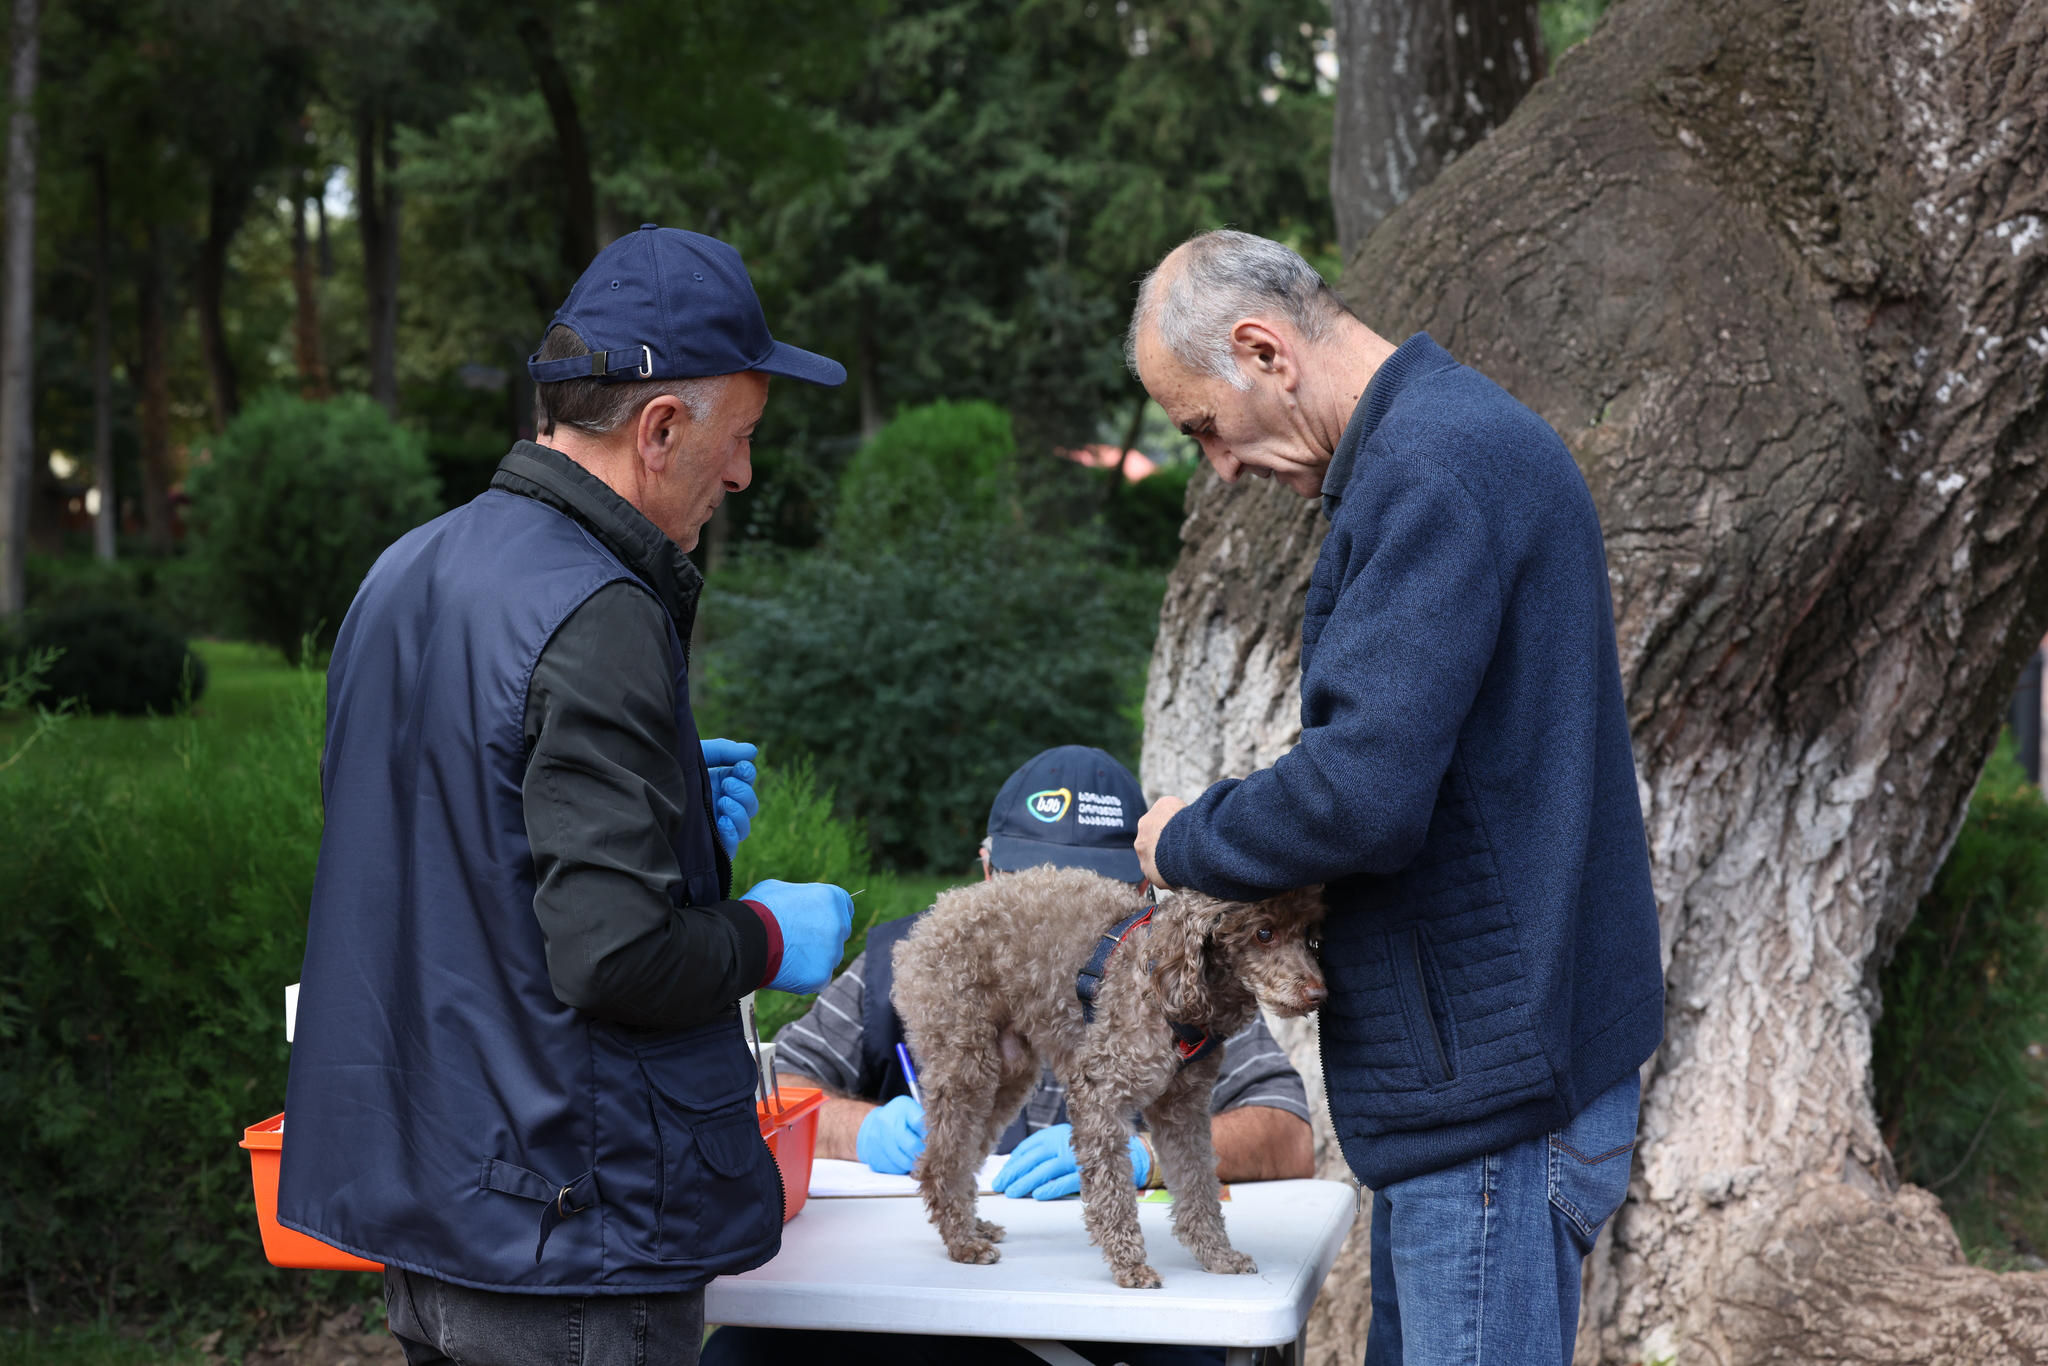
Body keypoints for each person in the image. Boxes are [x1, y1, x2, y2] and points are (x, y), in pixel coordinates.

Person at [279, 226, 858, 1366]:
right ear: (658, 429)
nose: (741, 474)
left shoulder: (404, 569)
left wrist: (671, 816)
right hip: (570, 1236)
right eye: (737, 439)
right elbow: (615, 959)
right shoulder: (602, 614)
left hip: (436, 1218)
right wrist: (763, 931)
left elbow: (449, 847)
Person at [1124, 231, 1664, 1366]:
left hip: (1494, 1117)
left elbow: (1359, 795)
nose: (1217, 468)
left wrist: (1187, 840)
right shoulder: (1443, 448)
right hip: (1490, 1094)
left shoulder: (1432, 470)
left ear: (1261, 349)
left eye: (1203, 429)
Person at [702, 746, 1315, 1366]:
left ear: (1143, 885)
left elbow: (1288, 1129)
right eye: (1028, 873)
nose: (1047, 903)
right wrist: (864, 1129)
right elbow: (773, 1084)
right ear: (988, 869)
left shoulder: (1195, 981)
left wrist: (1148, 1155)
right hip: (917, 1302)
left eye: (1092, 875)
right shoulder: (909, 955)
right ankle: (950, 1203)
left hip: (1090, 1321)